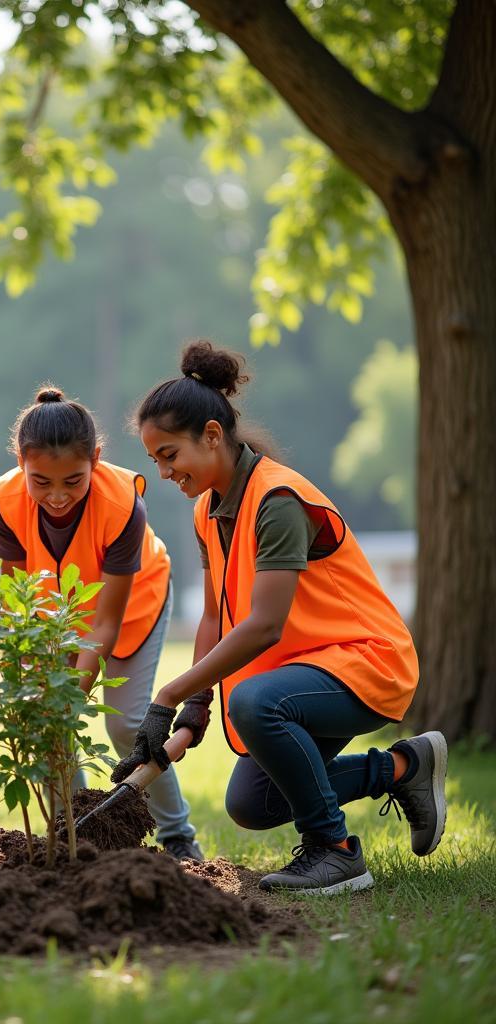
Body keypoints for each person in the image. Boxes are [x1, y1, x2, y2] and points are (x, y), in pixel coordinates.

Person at [116, 339, 445, 894]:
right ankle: (403, 770)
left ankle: (337, 852)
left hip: (367, 662)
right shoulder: (208, 510)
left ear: (213, 436)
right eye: (155, 460)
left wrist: (166, 696)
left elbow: (264, 625)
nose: (164, 471)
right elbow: (215, 618)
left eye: (170, 454)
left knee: (251, 703)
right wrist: (194, 709)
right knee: (252, 802)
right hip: (311, 672)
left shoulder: (278, 500)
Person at [0, 386, 204, 862]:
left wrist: (68, 697)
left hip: (131, 608)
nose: (57, 496)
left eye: (74, 480)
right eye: (40, 482)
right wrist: (26, 686)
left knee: (128, 724)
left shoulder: (123, 505)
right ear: (19, 462)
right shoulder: (2, 501)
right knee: (50, 730)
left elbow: (105, 622)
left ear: (97, 460)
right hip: (53, 616)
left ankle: (177, 834)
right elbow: (13, 602)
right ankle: (73, 832)